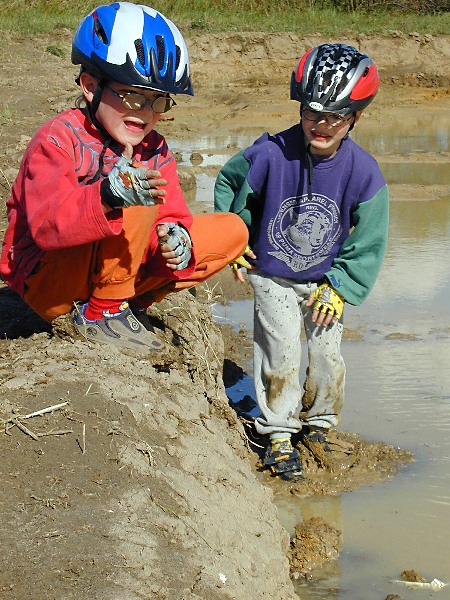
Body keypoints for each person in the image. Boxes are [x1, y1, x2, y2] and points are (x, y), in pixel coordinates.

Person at [0, 2, 248, 353]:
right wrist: (106, 195)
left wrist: (176, 242)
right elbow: (46, 226)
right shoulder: (57, 140)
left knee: (233, 231)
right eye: (132, 96)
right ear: (90, 85)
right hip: (51, 282)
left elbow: (169, 217)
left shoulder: (154, 149)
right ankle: (102, 312)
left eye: (158, 101)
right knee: (134, 191)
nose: (145, 113)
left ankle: (121, 302)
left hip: (113, 274)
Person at [214, 43, 389, 481]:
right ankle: (277, 434)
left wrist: (341, 285)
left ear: (356, 117)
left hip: (325, 282)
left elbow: (368, 240)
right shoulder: (271, 153)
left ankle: (320, 424)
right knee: (282, 353)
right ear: (300, 108)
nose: (322, 124)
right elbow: (230, 188)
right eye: (312, 113)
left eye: (335, 116)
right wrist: (233, 240)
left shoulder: (365, 173)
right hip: (272, 273)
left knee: (328, 356)